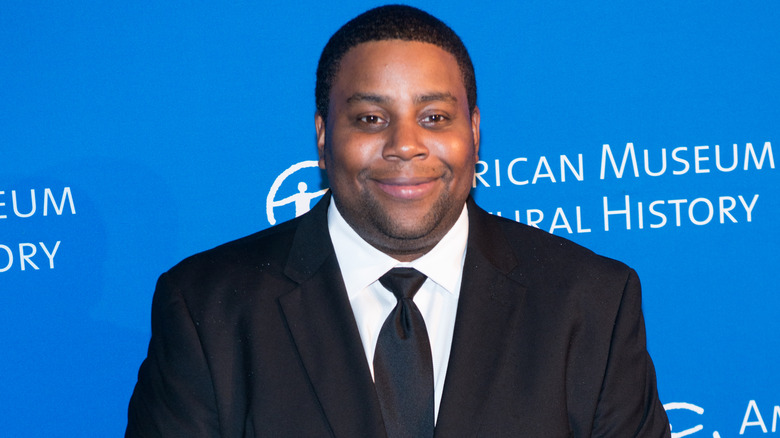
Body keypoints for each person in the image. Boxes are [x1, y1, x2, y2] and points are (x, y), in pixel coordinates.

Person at [127, 5, 671, 437]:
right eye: (370, 118)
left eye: (434, 117)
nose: (405, 144)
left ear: (474, 132)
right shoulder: (207, 307)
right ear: (322, 137)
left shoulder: (591, 300)